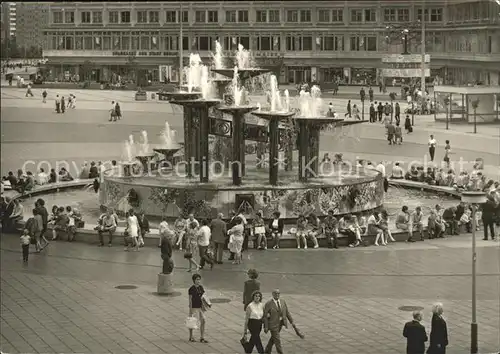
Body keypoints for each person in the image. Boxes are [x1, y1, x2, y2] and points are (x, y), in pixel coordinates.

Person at [263, 289, 295, 354]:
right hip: (273, 324)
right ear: (272, 294)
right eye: (275, 293)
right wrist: (266, 327)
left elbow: (287, 312)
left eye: (278, 293)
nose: (277, 295)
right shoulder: (268, 304)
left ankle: (267, 350)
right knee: (277, 340)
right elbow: (265, 316)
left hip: (280, 323)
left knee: (274, 338)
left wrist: (292, 321)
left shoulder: (283, 302)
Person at [188, 273, 209, 343]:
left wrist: (207, 303)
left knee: (203, 320)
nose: (199, 281)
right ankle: (191, 337)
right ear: (194, 280)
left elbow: (203, 297)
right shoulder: (191, 289)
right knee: (192, 322)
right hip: (194, 307)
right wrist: (190, 311)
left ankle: (202, 337)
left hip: (200, 307)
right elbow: (190, 300)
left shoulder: (201, 287)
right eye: (197, 279)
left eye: (199, 279)